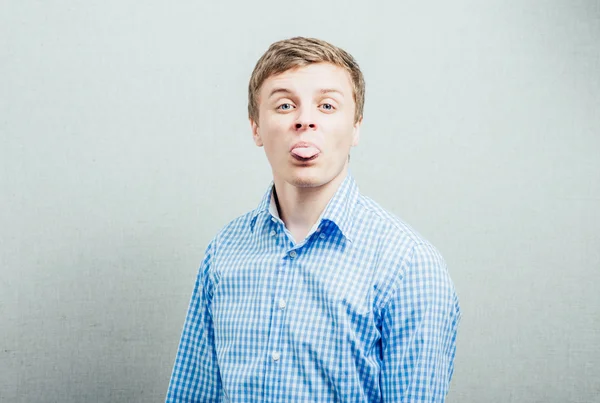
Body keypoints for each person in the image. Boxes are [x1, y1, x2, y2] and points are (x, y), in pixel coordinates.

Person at [166, 36, 461, 402]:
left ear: (355, 127)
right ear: (256, 127)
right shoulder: (224, 252)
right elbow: (193, 394)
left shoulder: (410, 267)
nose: (305, 121)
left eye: (326, 105)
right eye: (285, 105)